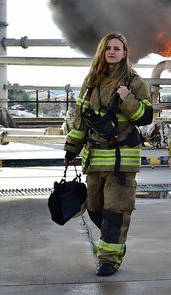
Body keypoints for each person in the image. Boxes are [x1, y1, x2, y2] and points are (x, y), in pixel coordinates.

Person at [64, 33, 153, 276]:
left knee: (115, 212)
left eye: (117, 48)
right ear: (102, 52)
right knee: (95, 209)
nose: (112, 52)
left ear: (125, 53)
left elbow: (145, 117)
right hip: (95, 159)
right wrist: (72, 148)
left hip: (123, 161)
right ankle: (114, 245)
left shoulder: (134, 81)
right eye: (108, 48)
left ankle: (109, 259)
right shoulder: (91, 81)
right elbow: (81, 118)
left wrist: (127, 99)